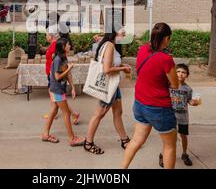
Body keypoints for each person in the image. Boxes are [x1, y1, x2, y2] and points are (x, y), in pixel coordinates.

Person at [122, 23, 179, 169]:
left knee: (136, 141)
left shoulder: (142, 49)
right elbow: (175, 84)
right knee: (169, 146)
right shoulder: (165, 59)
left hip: (140, 104)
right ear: (166, 39)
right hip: (159, 108)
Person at [84, 28, 131, 155]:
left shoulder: (109, 45)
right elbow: (106, 69)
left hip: (114, 85)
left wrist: (121, 67)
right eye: (123, 34)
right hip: (109, 86)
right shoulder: (109, 45)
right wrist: (123, 68)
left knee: (118, 112)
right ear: (114, 33)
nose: (124, 36)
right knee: (99, 114)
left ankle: (124, 139)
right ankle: (88, 143)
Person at [42, 38, 84, 146]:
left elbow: (67, 74)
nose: (70, 46)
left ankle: (45, 134)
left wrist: (73, 87)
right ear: (63, 47)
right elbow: (57, 77)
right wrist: (69, 69)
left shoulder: (63, 57)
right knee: (67, 113)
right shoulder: (57, 60)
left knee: (54, 110)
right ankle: (72, 139)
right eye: (68, 45)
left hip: (57, 89)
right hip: (57, 89)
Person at [161, 63, 199, 167]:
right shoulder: (168, 85)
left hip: (183, 117)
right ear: (174, 73)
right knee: (168, 138)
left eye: (183, 72)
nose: (180, 74)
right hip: (170, 116)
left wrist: (193, 102)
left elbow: (190, 100)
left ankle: (184, 154)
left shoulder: (188, 89)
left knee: (183, 136)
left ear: (187, 75)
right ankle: (163, 155)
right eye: (178, 72)